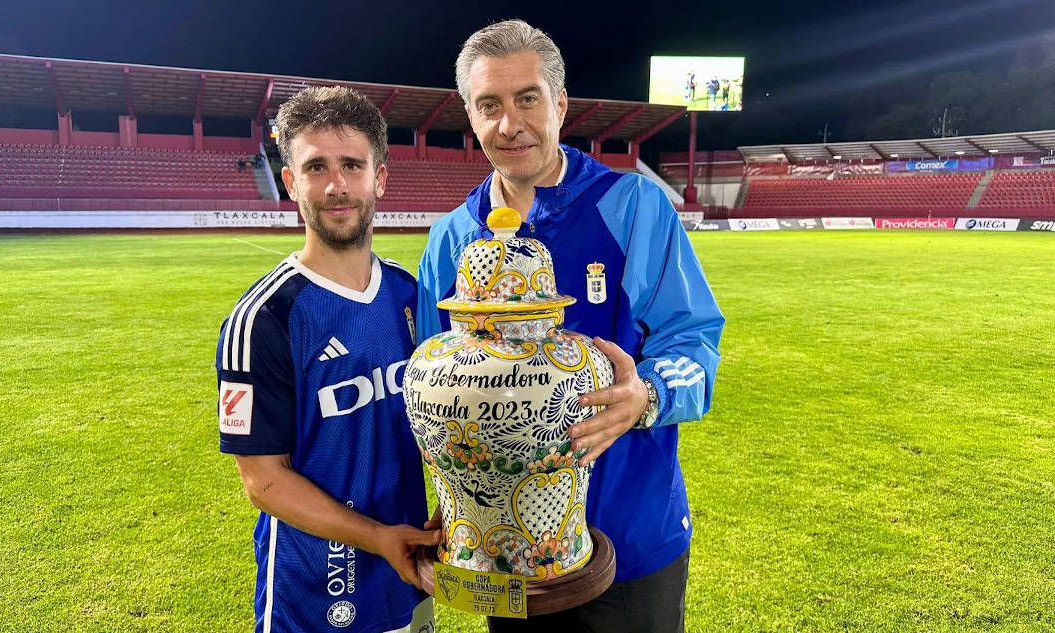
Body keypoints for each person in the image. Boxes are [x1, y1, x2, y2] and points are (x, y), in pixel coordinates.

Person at [416, 20, 724, 633]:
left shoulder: (633, 207)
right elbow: (430, 378)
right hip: (506, 554)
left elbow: (691, 340)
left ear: (560, 103)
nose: (510, 124)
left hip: (631, 536)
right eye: (489, 105)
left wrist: (648, 394)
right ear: (470, 116)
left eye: (528, 98)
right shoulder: (452, 237)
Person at [215, 85, 438, 633]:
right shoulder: (263, 319)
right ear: (291, 182)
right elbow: (263, 481)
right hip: (314, 594)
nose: (336, 185)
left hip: (409, 578)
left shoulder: (412, 297)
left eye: (352, 165)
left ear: (379, 178)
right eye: (316, 166)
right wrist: (377, 537)